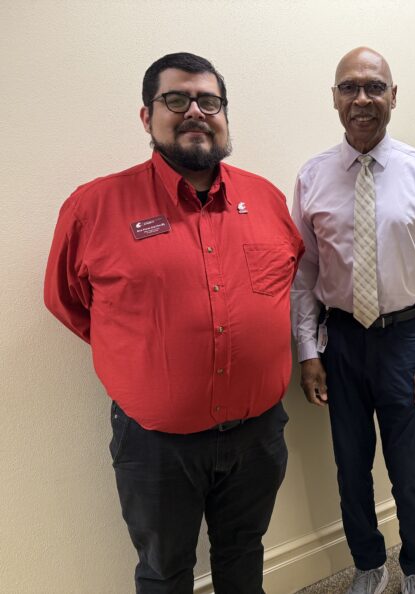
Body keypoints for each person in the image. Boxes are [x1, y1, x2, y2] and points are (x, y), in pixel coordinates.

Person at [43, 52, 303, 594]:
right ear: (147, 116)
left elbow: (286, 285)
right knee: (164, 572)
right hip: (156, 447)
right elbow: (67, 299)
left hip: (257, 436)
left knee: (243, 555)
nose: (195, 112)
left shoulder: (268, 198)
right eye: (176, 99)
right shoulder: (95, 207)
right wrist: (142, 350)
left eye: (209, 101)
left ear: (225, 115)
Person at [290, 47, 415, 594]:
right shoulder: (313, 176)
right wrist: (308, 351)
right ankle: (369, 563)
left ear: (393, 96)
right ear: (334, 99)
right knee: (351, 465)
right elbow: (304, 271)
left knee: (409, 471)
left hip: (406, 339)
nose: (362, 98)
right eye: (349, 88)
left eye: (374, 87)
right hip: (340, 340)